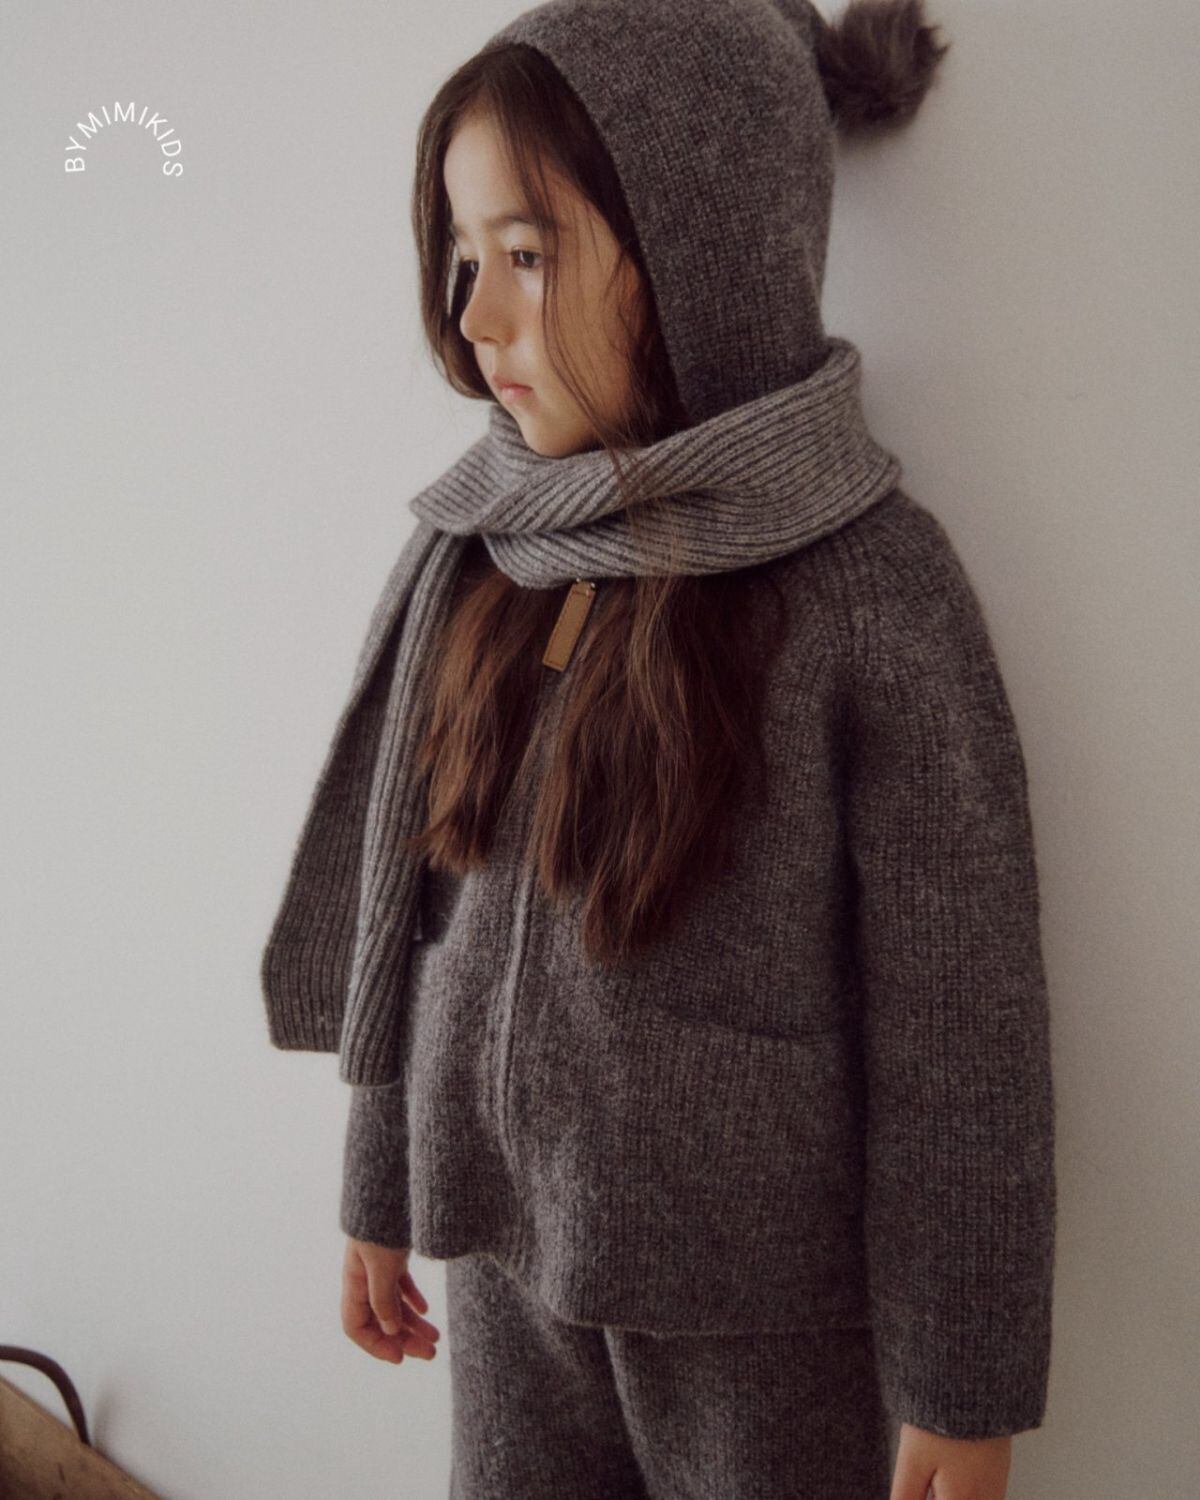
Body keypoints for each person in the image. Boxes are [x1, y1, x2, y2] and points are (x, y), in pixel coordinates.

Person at [260, 2, 1058, 1496]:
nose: (475, 319)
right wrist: (382, 1181)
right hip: (503, 1267)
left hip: (761, 1316)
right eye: (463, 256)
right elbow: (414, 911)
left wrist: (964, 1381)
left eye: (527, 254)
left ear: (705, 253)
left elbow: (964, 1033)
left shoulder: (868, 593)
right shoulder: (483, 555)